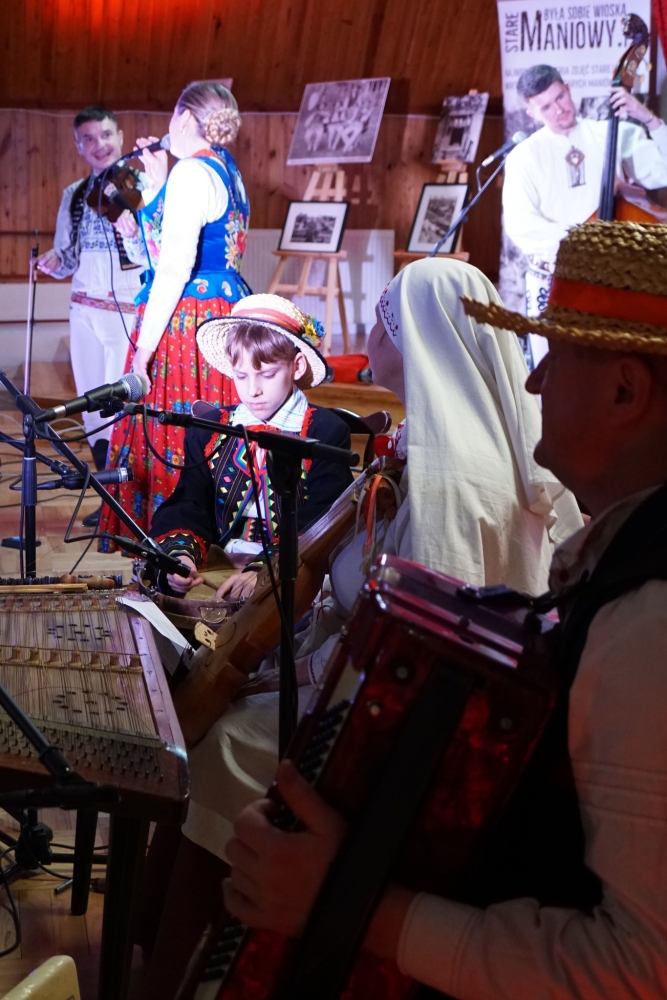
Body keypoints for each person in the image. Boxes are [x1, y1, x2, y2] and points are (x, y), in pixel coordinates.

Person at [225, 221, 667, 999]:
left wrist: (356, 904)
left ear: (623, 391)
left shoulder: (648, 619)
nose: (532, 383)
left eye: (554, 358)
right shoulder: (626, 560)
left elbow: (637, 968)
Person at [134, 257, 582, 999]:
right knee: (213, 712)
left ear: (414, 339)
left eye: (381, 319)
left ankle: (210, 965)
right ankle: (168, 946)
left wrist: (289, 671)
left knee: (223, 744)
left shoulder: (449, 478)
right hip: (351, 668)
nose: (370, 334)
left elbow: (416, 647)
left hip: (394, 723)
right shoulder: (431, 447)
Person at [98, 81, 251, 546]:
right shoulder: (226, 167)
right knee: (217, 423)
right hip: (225, 307)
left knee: (176, 425)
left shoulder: (191, 172)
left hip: (189, 317)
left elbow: (172, 268)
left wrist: (143, 351)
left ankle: (175, 535)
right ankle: (220, 530)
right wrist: (158, 187)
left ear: (184, 118)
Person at [146, 293, 353, 599]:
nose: (253, 390)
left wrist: (265, 569)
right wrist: (181, 557)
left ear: (296, 367)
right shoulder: (210, 431)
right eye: (241, 376)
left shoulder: (324, 431)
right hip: (219, 560)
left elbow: (323, 516)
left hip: (293, 566)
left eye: (267, 374)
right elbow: (190, 503)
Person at [503, 64, 667, 319]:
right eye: (546, 107)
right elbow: (521, 225)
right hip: (553, 280)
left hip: (613, 280)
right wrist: (583, 247)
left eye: (560, 97)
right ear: (532, 113)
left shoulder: (611, 134)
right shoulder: (522, 157)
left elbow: (663, 171)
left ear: (568, 89)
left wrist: (649, 119)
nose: (559, 109)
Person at [36, 106, 147, 475]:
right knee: (91, 405)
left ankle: (124, 489)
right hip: (84, 309)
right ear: (78, 146)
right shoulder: (74, 194)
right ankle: (103, 487)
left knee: (120, 404)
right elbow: (68, 257)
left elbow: (156, 252)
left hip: (126, 311)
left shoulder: (145, 187)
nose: (99, 144)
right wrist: (54, 261)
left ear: (120, 136)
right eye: (88, 139)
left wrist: (135, 235)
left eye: (106, 135)